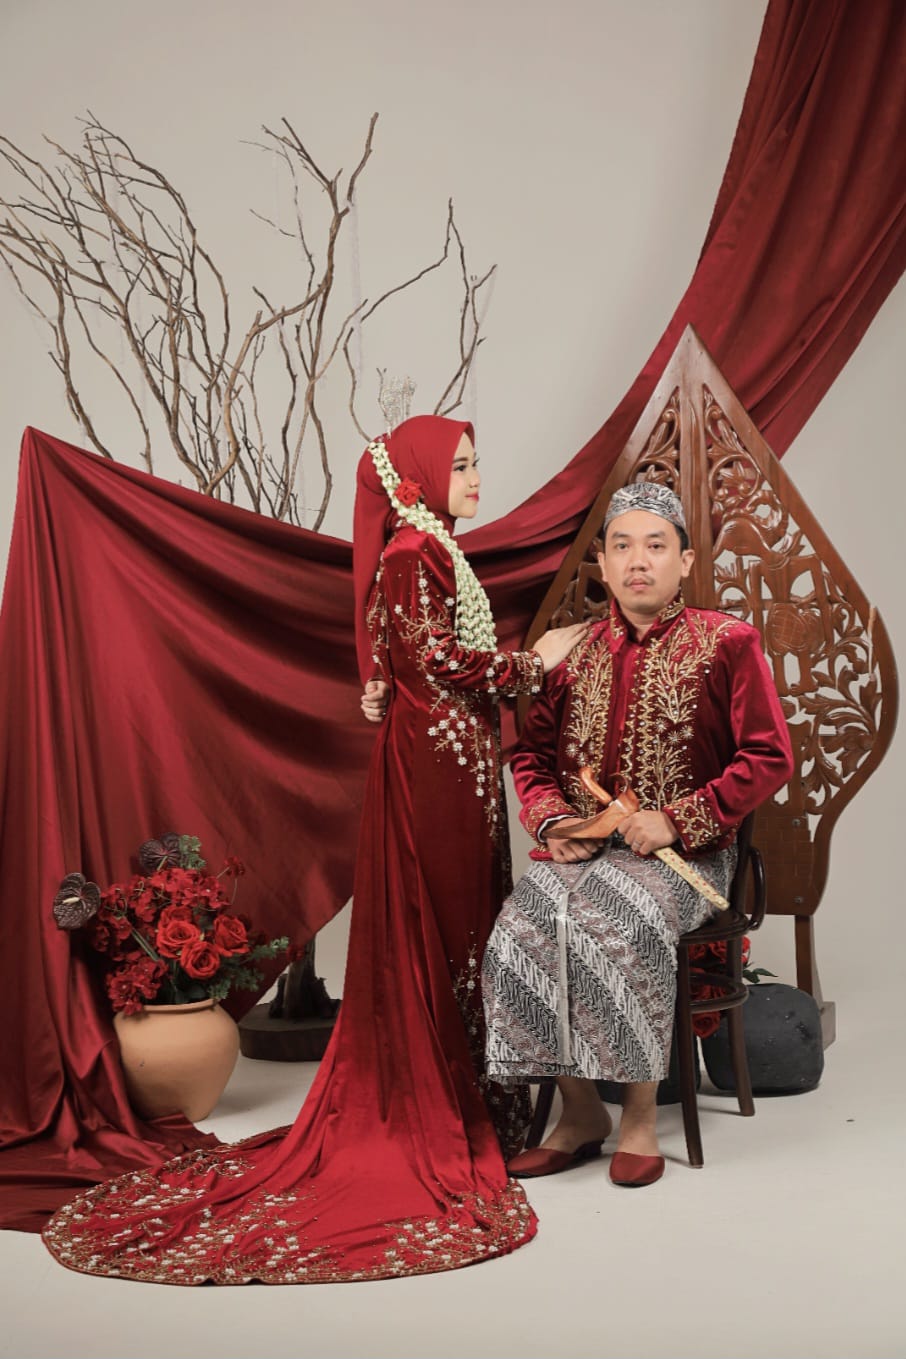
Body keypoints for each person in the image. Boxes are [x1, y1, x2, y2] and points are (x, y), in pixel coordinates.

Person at [42, 414, 587, 1283]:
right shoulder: (413, 553)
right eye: (460, 464)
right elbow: (438, 661)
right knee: (447, 925)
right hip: (436, 767)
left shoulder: (431, 547)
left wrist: (394, 681)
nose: (477, 476)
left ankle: (474, 1095)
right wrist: (535, 664)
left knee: (467, 925)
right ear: (419, 474)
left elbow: (406, 660)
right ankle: (444, 1098)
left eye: (476, 461)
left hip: (453, 761)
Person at [482, 481, 794, 1188]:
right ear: (603, 563)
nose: (638, 561)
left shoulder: (727, 642)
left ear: (685, 561)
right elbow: (530, 757)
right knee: (519, 926)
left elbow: (769, 755)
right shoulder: (574, 651)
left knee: (620, 917)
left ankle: (640, 1119)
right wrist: (556, 822)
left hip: (687, 861)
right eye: (622, 546)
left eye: (656, 545)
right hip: (585, 853)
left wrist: (678, 818)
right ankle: (579, 1112)